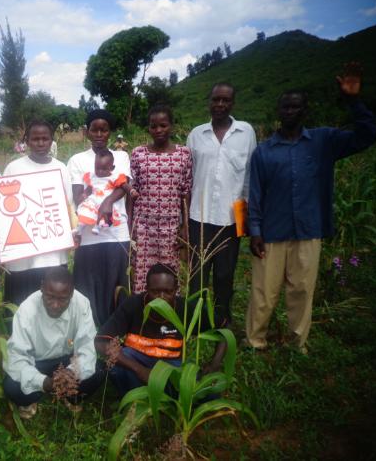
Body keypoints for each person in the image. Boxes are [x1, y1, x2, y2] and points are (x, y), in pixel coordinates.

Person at [246, 63, 376, 353]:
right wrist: (254, 230)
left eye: (296, 107)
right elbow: (255, 194)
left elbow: (367, 136)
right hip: (271, 231)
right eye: (285, 107)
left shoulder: (324, 141)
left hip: (308, 229)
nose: (290, 111)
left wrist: (353, 101)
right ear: (278, 111)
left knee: (302, 290)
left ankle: (297, 344)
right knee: (264, 291)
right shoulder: (264, 151)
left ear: (305, 111)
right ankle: (255, 341)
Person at [95, 263, 225, 397]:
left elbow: (224, 328)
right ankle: (137, 399)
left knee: (208, 390)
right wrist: (140, 370)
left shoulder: (185, 308)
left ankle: (165, 396)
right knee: (118, 364)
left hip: (172, 366)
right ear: (146, 289)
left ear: (175, 290)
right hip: (137, 361)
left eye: (168, 292)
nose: (161, 297)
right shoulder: (133, 304)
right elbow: (101, 342)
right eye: (155, 291)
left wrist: (215, 363)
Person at [186, 83, 257, 327]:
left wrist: (245, 220)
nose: (220, 104)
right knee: (197, 274)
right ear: (209, 101)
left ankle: (221, 321)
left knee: (225, 274)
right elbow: (188, 177)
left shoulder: (246, 132)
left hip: (230, 219)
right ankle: (195, 323)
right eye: (216, 99)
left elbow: (249, 177)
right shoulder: (196, 134)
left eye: (225, 100)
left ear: (233, 103)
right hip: (198, 217)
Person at [2, 266, 101, 418]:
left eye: (63, 299)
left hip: (67, 362)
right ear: (42, 288)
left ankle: (68, 396)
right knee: (11, 387)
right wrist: (43, 382)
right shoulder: (27, 310)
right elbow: (16, 358)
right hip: (36, 363)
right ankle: (42, 392)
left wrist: (70, 373)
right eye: (50, 297)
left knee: (97, 372)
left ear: (71, 293)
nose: (55, 305)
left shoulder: (81, 304)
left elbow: (87, 349)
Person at [68, 109, 131, 326]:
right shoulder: (77, 160)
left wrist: (107, 202)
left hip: (117, 233)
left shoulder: (121, 156)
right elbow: (77, 195)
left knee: (116, 285)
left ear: (110, 132)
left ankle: (116, 334)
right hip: (88, 235)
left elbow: (123, 185)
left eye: (104, 130)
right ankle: (90, 334)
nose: (99, 134)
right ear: (87, 132)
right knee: (88, 288)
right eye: (94, 129)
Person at [2, 120, 73, 305]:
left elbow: (67, 206)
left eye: (45, 138)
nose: (40, 143)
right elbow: (4, 206)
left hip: (53, 253)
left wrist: (71, 234)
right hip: (21, 255)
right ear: (27, 141)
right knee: (20, 304)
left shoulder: (61, 168)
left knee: (51, 303)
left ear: (51, 141)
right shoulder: (13, 168)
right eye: (35, 139)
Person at [130, 104, 192, 293]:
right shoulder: (138, 154)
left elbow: (186, 192)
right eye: (153, 126)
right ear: (148, 128)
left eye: (163, 125)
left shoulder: (183, 154)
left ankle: (168, 310)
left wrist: (185, 226)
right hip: (143, 226)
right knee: (142, 275)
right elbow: (132, 191)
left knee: (169, 274)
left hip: (171, 227)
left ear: (171, 126)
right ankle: (142, 308)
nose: (158, 130)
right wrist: (130, 225)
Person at [75, 149, 133, 238]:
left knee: (104, 215)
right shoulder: (92, 176)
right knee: (86, 212)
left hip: (105, 200)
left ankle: (97, 227)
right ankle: (79, 229)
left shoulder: (114, 177)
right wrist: (84, 195)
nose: (100, 172)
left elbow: (124, 185)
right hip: (94, 200)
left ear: (112, 168)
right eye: (97, 168)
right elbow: (89, 189)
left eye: (104, 169)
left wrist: (132, 191)